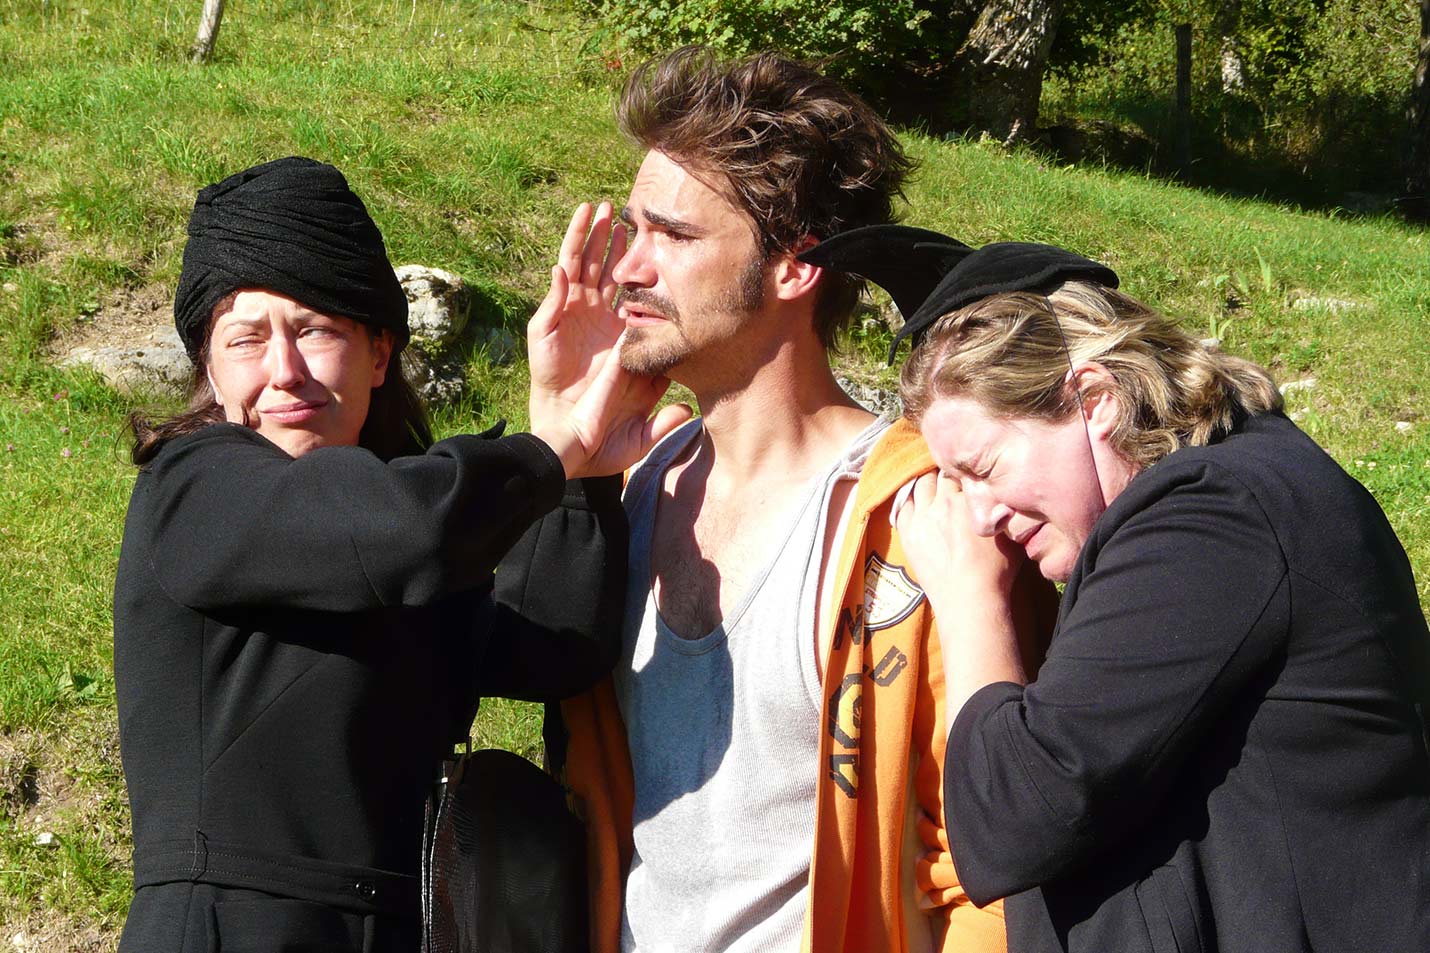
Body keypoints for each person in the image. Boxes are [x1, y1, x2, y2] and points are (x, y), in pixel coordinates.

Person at [543, 49, 1055, 953]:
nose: (629, 268)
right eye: (633, 229)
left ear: (795, 265)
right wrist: (557, 452)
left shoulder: (921, 519)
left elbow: (983, 867)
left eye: (675, 237)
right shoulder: (630, 486)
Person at [113, 156, 689, 952]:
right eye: (246, 339)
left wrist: (578, 473)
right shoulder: (193, 489)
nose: (284, 372)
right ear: (209, 368)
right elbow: (404, 530)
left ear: (379, 353)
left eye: (315, 330)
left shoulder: (402, 535)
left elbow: (551, 646)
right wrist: (558, 444)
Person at [817, 224, 1430, 952]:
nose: (977, 518)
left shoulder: (1216, 517)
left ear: (1095, 399)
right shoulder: (1217, 503)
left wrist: (969, 599)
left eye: (982, 469)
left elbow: (1015, 816)